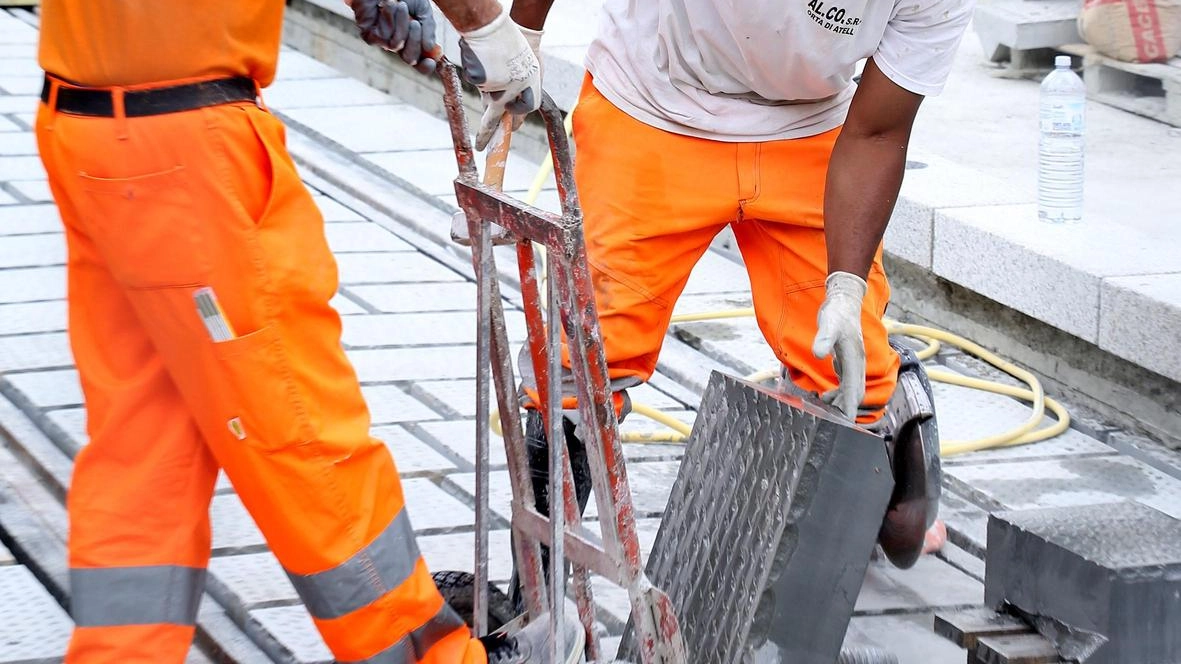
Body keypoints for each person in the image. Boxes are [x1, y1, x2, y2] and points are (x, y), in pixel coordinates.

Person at [34, 1, 577, 662]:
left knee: (143, 444)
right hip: (186, 151)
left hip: (84, 126)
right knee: (298, 424)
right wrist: (491, 32)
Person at [501, 0, 971, 581]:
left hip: (809, 127)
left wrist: (846, 288)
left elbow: (878, 131)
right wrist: (519, 31)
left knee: (848, 372)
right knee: (584, 364)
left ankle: (890, 406)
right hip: (654, 106)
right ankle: (537, 588)